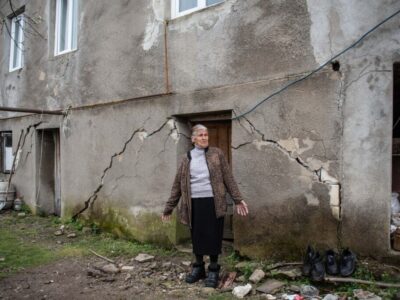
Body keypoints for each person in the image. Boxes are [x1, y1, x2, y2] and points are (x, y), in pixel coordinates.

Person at [162, 124, 249, 288]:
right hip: (193, 203)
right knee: (197, 236)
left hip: (213, 202)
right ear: (193, 138)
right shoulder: (186, 158)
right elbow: (177, 185)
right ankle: (199, 268)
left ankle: (214, 270)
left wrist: (238, 199)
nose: (204, 138)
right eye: (201, 135)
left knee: (214, 236)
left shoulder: (217, 154)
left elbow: (228, 178)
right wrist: (169, 207)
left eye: (206, 135)